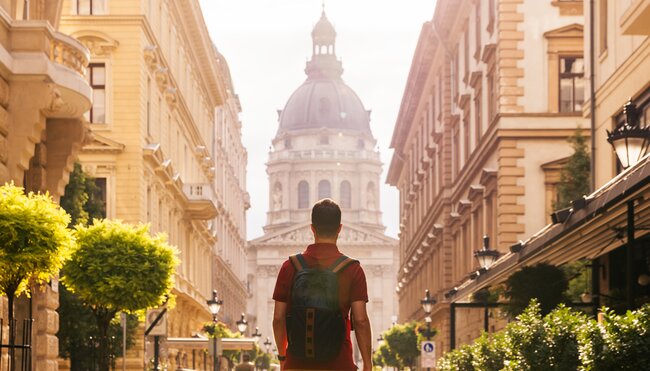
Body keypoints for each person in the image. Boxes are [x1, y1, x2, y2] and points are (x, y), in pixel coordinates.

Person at [272, 198, 372, 371]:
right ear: (339, 229)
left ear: (312, 228)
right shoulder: (352, 269)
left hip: (297, 365)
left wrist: (283, 357)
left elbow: (278, 319)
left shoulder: (289, 266)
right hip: (339, 364)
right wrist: (368, 364)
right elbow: (361, 320)